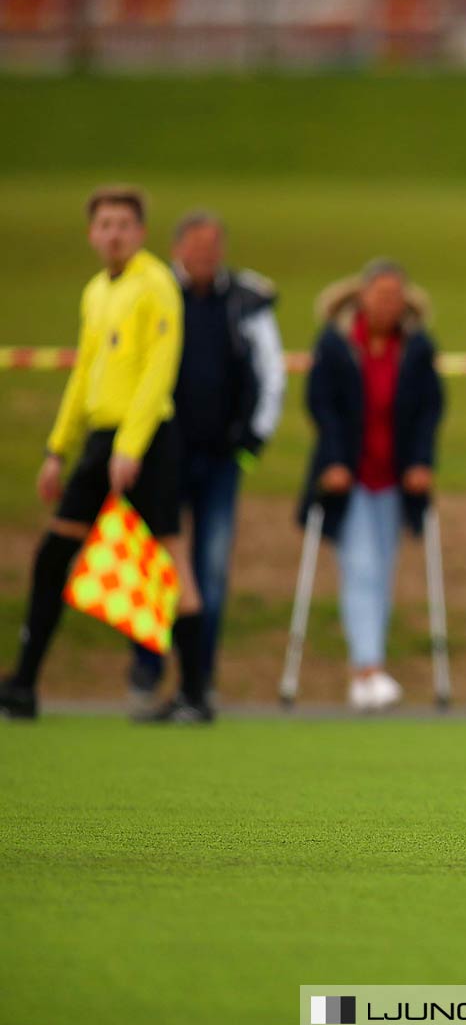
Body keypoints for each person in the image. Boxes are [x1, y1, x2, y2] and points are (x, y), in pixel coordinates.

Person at [2, 187, 200, 720]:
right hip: (100, 441)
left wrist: (130, 445)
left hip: (148, 439)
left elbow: (159, 371)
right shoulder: (96, 291)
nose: (113, 234)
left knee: (169, 559)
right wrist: (55, 448)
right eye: (105, 225)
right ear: (92, 234)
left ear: (140, 233)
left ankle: (196, 692)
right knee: (52, 556)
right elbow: (85, 372)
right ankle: (23, 682)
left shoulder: (155, 285)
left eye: (124, 224)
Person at [129, 209, 285, 723]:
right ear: (177, 249)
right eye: (195, 247)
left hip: (220, 457)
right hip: (161, 455)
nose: (204, 256)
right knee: (156, 565)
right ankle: (149, 669)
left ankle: (199, 682)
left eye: (212, 247)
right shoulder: (154, 293)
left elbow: (271, 370)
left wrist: (252, 440)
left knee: (211, 570)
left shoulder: (245, 299)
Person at [298, 259, 444, 713]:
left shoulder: (416, 346)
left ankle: (368, 671)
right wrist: (335, 461)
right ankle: (368, 668)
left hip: (394, 477)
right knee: (360, 566)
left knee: (382, 569)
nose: (388, 304)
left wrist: (421, 462)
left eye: (395, 296)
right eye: (380, 295)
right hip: (350, 476)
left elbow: (428, 409)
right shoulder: (337, 342)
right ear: (363, 296)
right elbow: (321, 404)